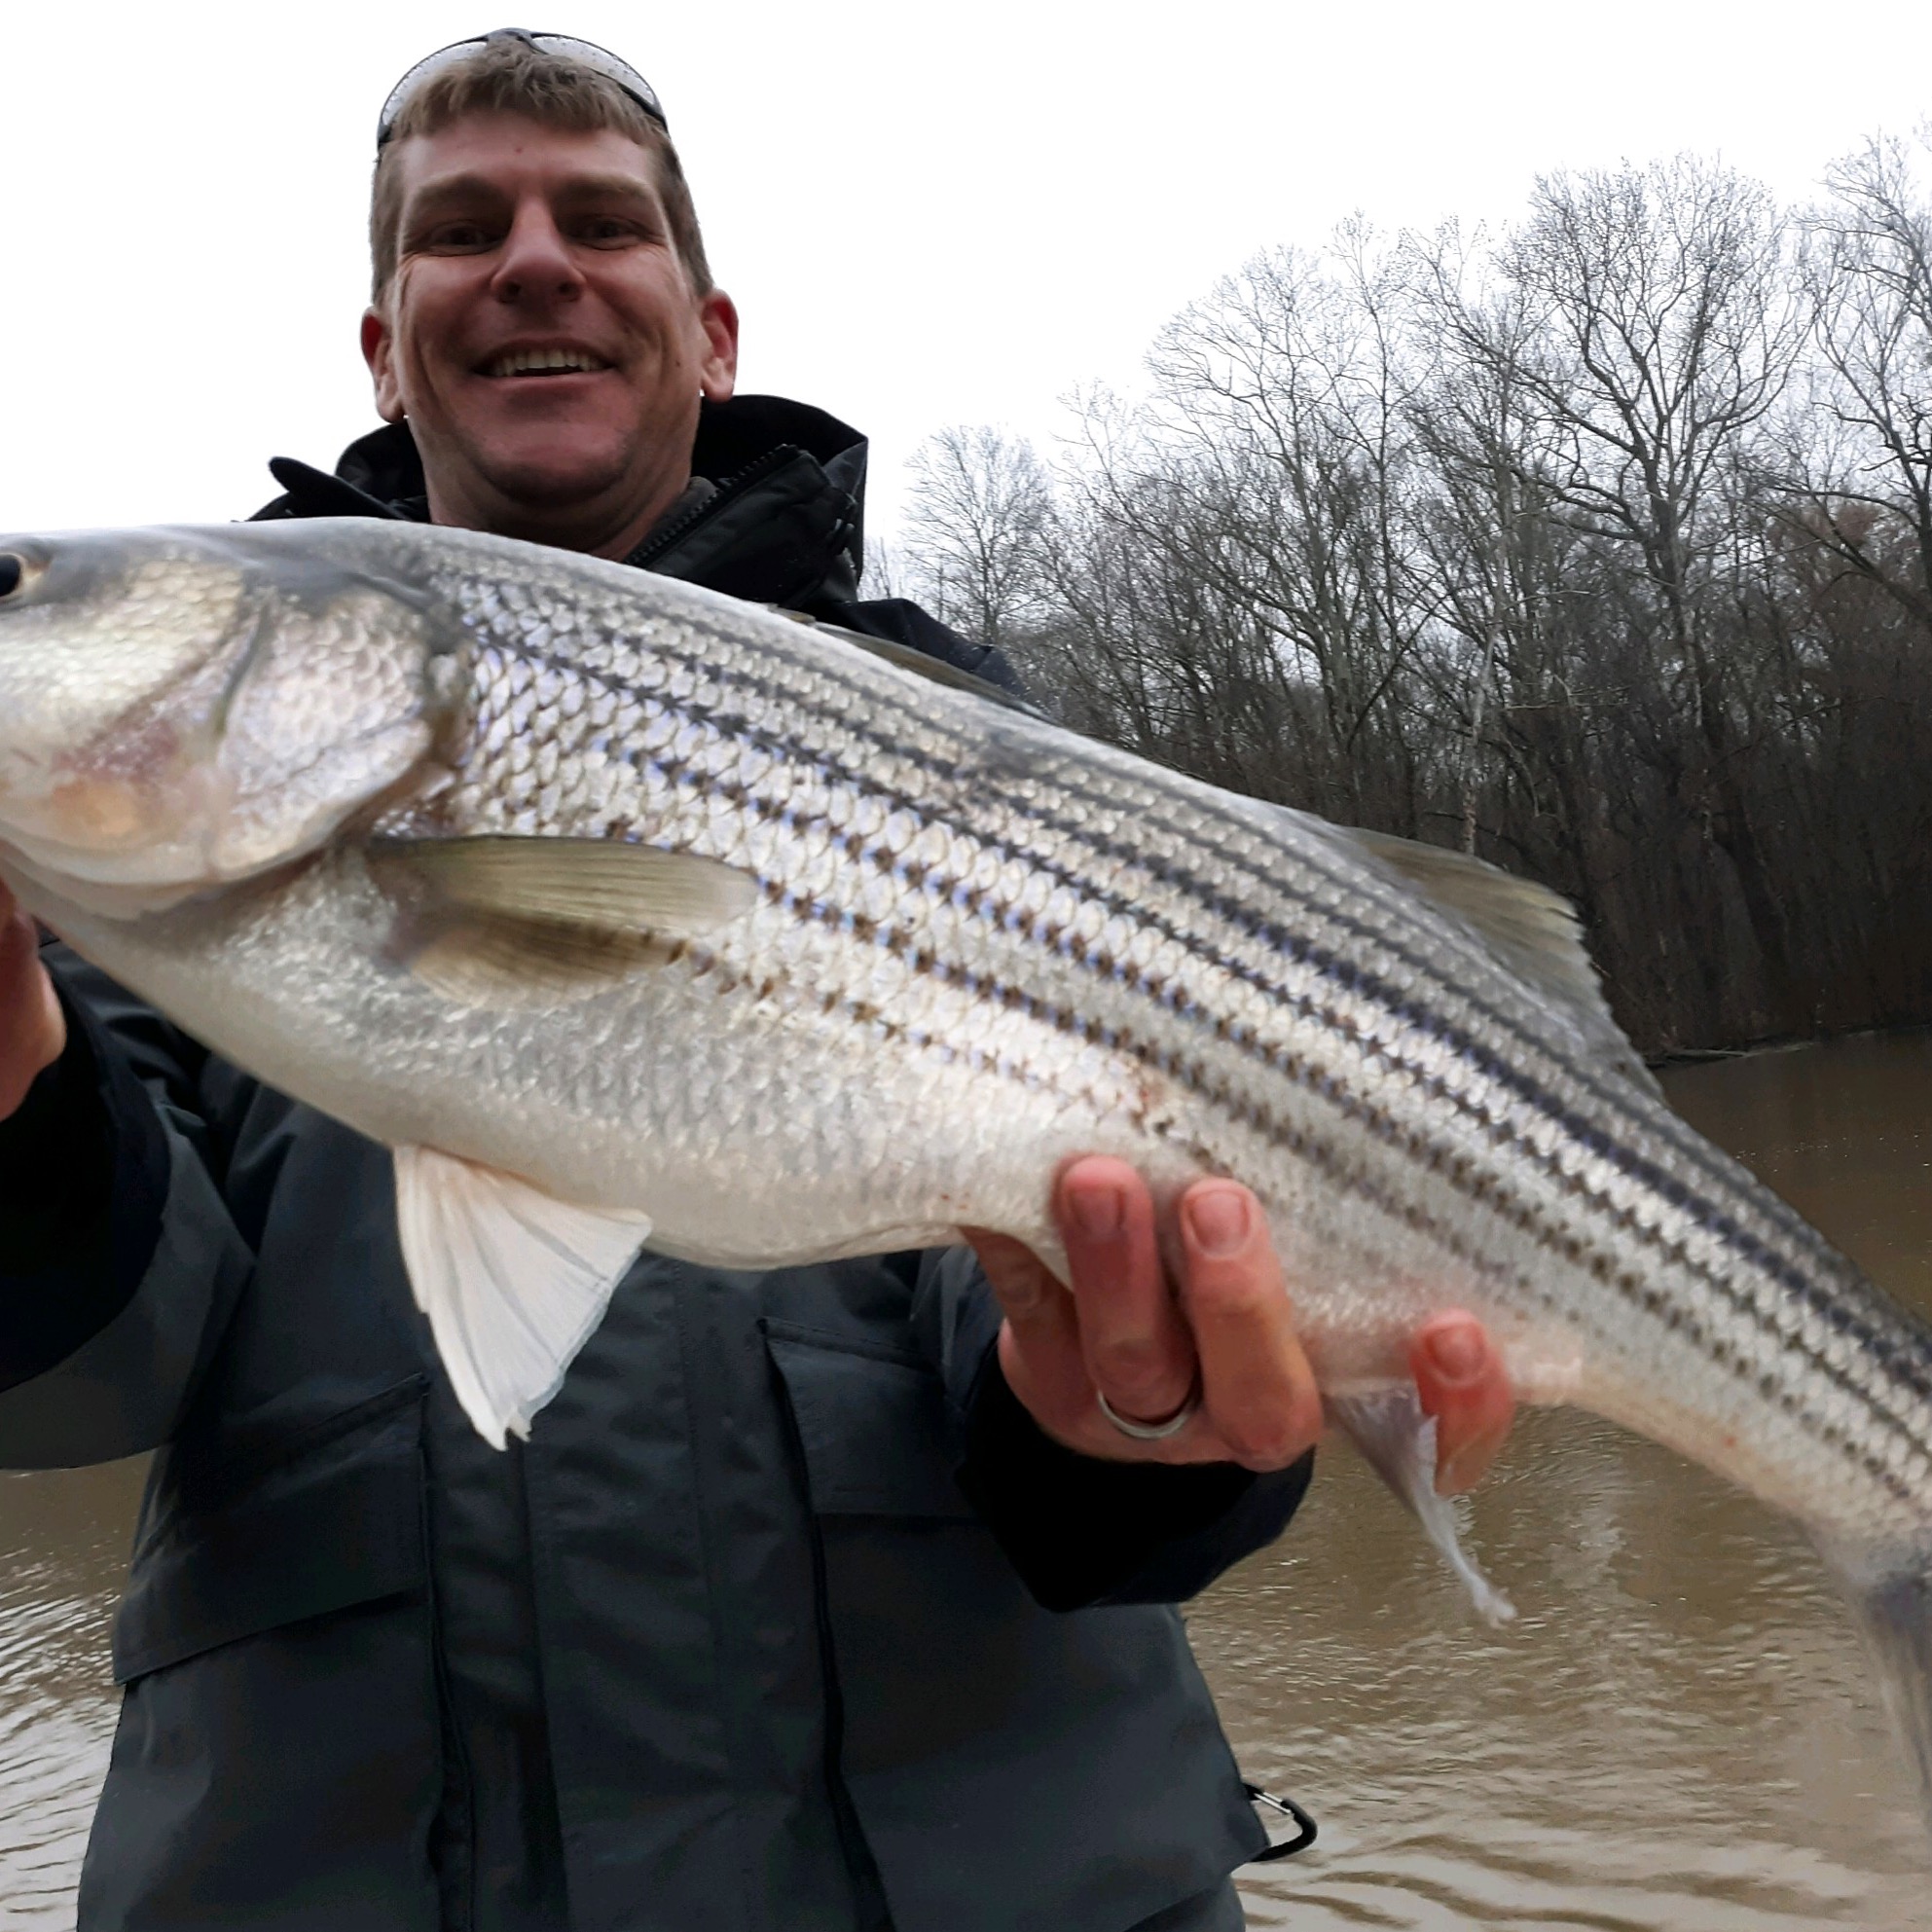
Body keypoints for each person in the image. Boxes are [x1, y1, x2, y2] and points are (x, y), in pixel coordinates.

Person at [0, 31, 1513, 1932]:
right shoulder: (134, 882)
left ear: (708, 333)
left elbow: (1086, 1466)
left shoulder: (970, 755)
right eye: (457, 231)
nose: (534, 260)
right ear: (384, 350)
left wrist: (1133, 1432)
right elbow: (79, 1378)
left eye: (600, 223)